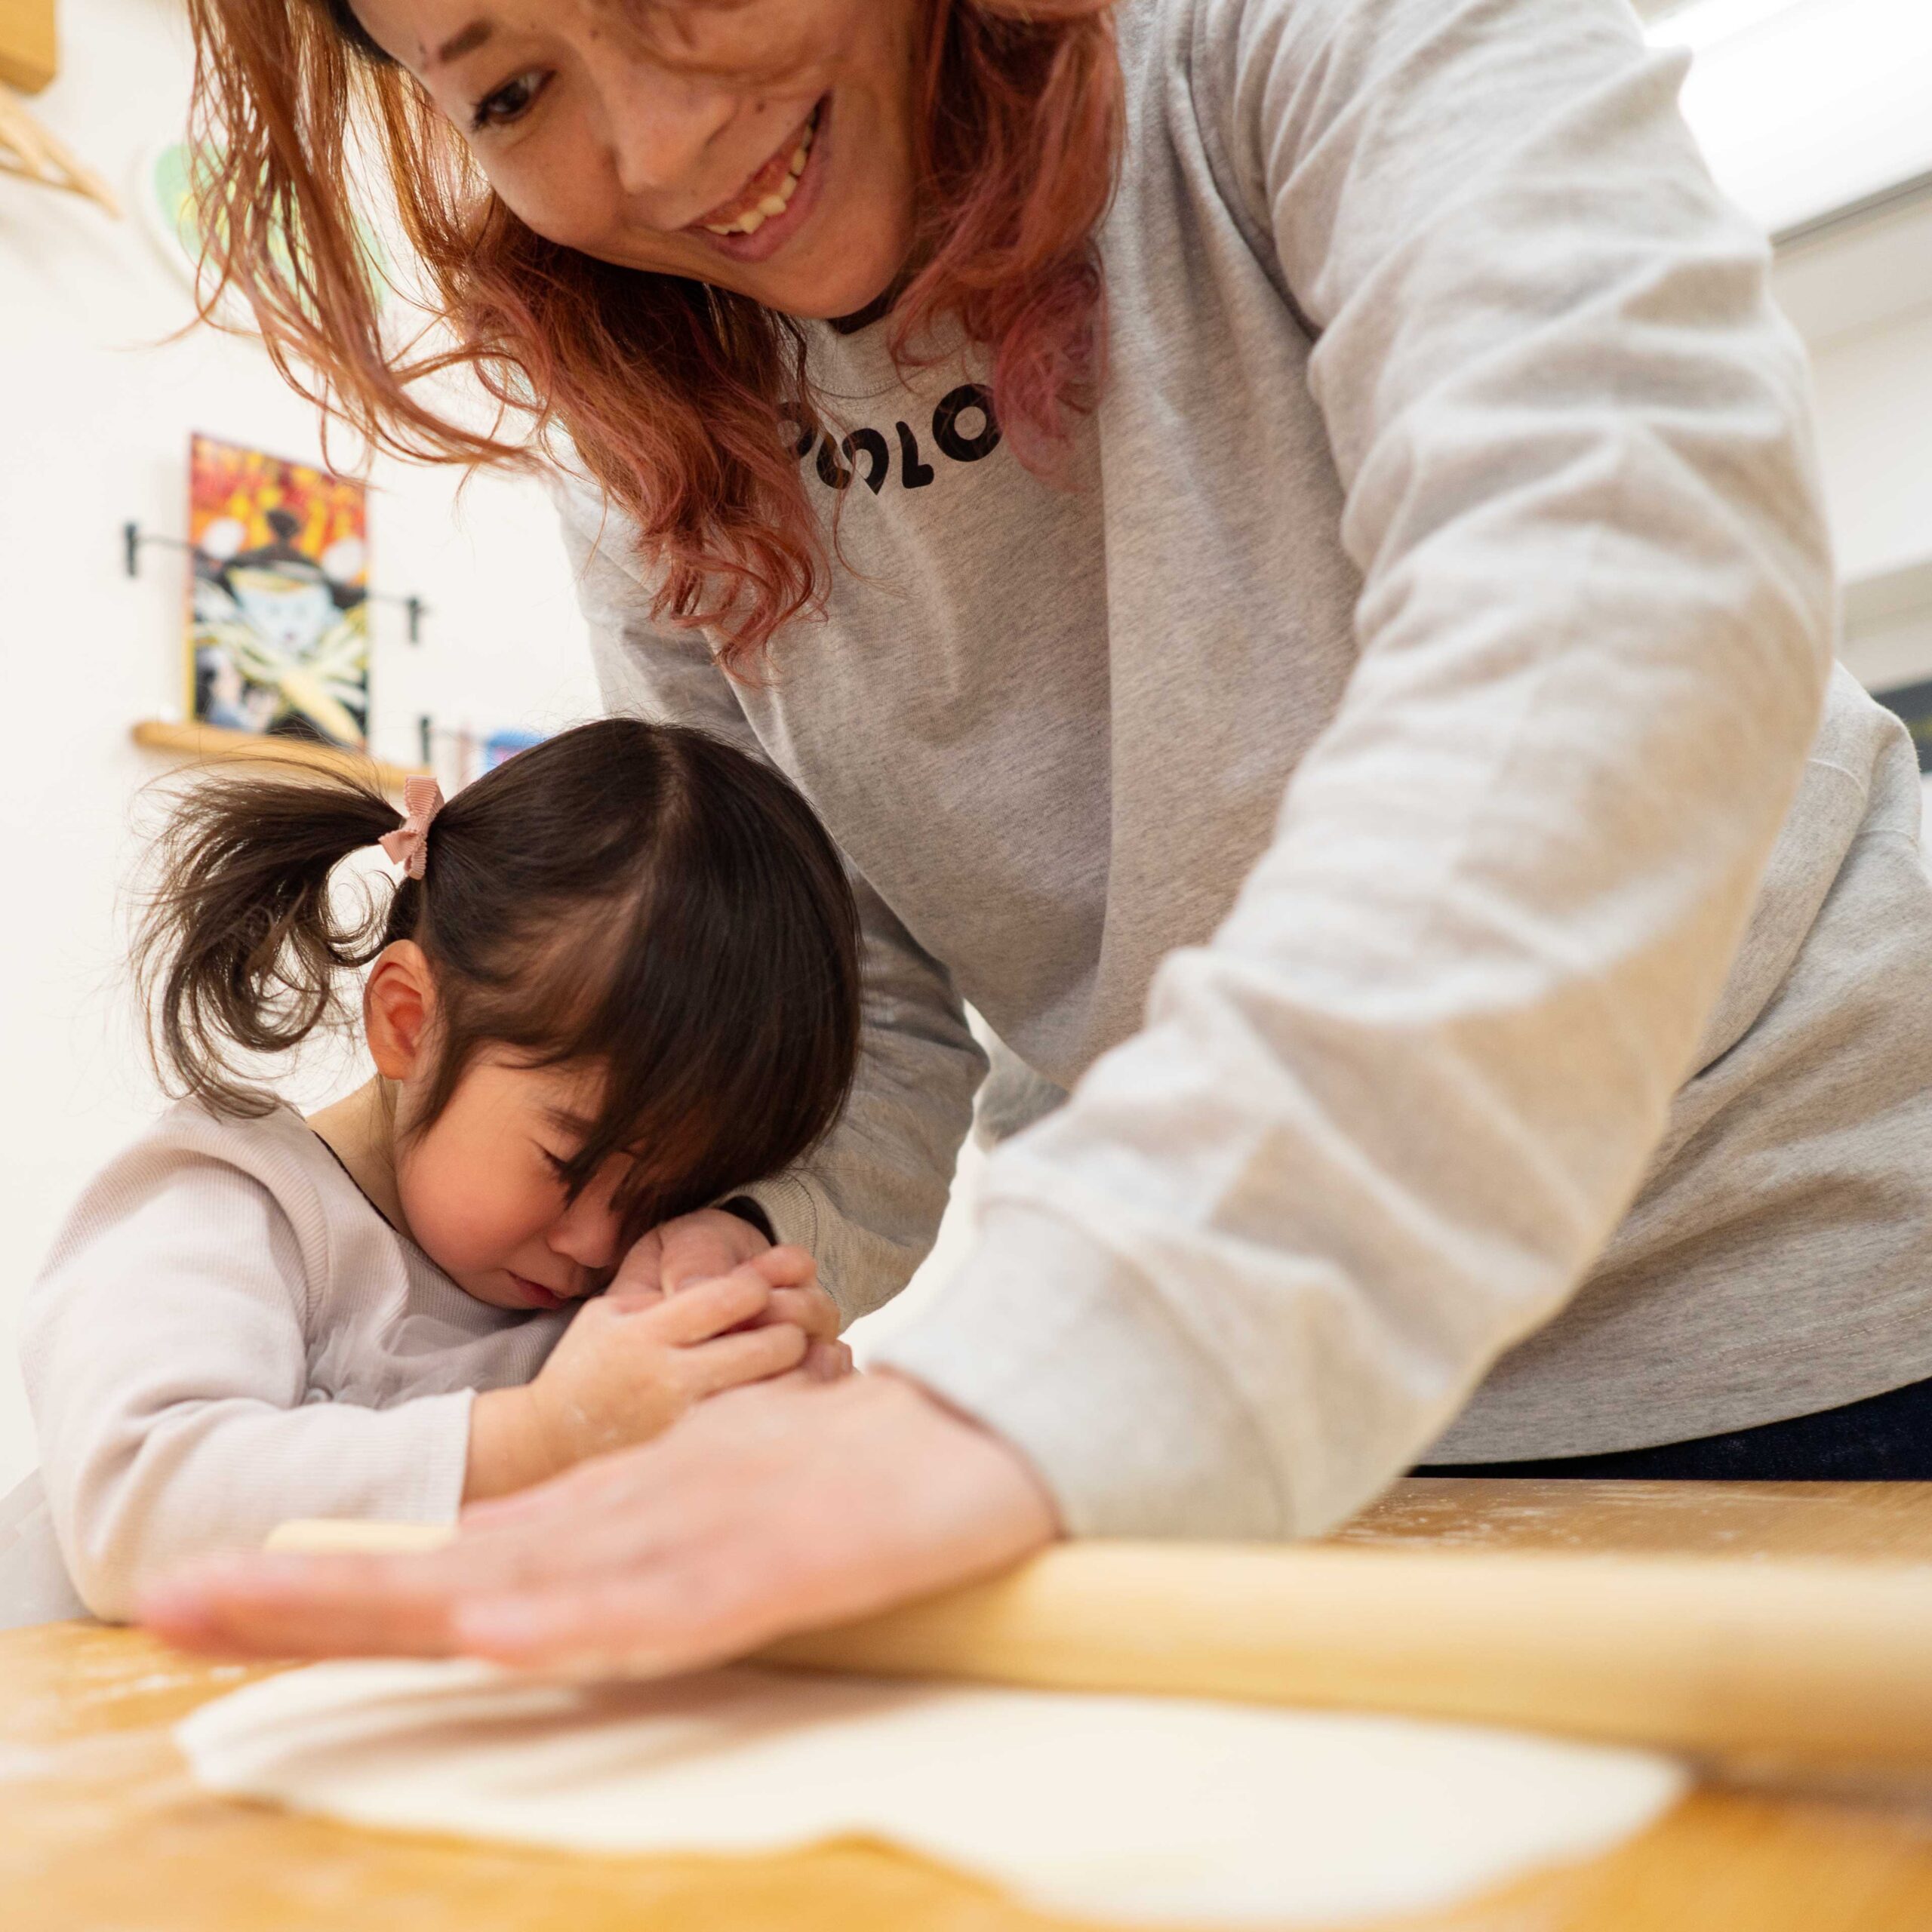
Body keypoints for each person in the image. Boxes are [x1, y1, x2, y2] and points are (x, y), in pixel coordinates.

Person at [141, 0, 1932, 1672]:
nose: (665, 148)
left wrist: (1094, 1350)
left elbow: (1612, 598)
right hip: (1237, 1447)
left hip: (1820, 1306)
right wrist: (743, 1227)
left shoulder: (1264, 49)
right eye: (510, 88)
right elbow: (840, 1001)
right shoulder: (650, 430)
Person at [0, 721, 859, 1626]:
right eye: (568, 1163)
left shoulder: (604, 1312)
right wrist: (543, 1436)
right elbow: (138, 1516)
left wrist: (762, 1420)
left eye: (671, 1192)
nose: (598, 1241)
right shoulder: (228, 1206)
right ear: (408, 1021)